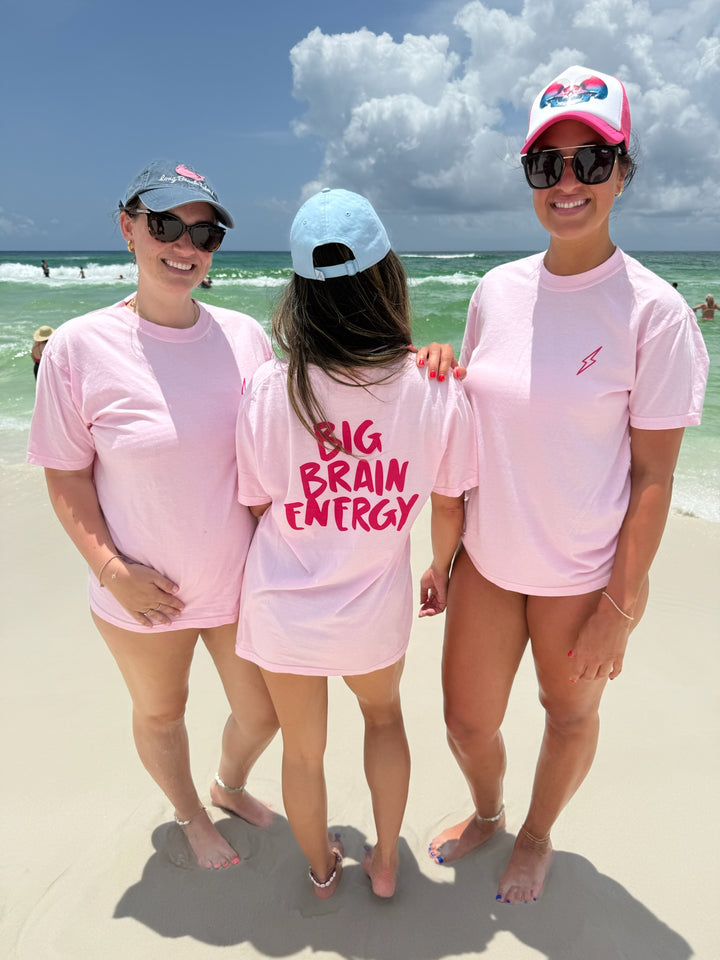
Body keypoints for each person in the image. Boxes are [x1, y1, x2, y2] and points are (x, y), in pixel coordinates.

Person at [427, 65, 709, 904]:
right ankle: (489, 815)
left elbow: (655, 474)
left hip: (583, 574)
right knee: (466, 723)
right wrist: (440, 368)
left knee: (569, 714)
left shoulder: (655, 313)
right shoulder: (493, 290)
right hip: (487, 558)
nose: (569, 183)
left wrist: (622, 607)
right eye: (547, 166)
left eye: (592, 161)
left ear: (624, 171)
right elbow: (480, 416)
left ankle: (539, 836)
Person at [27, 160, 279, 870]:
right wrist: (113, 572)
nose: (185, 245)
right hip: (140, 592)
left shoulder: (246, 338)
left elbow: (283, 443)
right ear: (128, 228)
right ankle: (190, 814)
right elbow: (67, 476)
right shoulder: (80, 347)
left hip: (240, 582)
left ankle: (228, 786)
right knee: (163, 713)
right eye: (166, 224)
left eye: (205, 233)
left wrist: (402, 369)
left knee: (264, 712)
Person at [234, 188, 478, 899]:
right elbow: (448, 496)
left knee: (302, 754)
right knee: (383, 719)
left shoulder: (265, 390)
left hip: (283, 604)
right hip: (373, 605)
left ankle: (318, 873)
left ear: (299, 296)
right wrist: (440, 564)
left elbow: (256, 500)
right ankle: (387, 865)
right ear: (388, 278)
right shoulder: (432, 389)